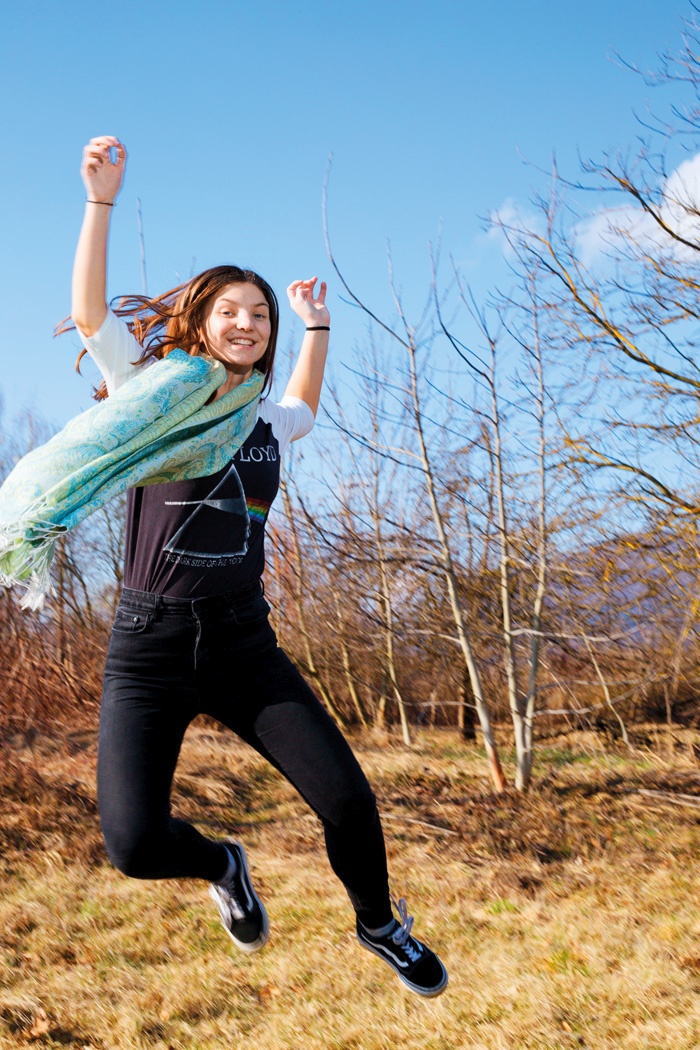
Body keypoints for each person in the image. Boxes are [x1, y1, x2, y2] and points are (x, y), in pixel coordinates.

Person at [68, 135, 448, 998]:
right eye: (233, 309)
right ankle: (223, 864)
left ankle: (380, 925)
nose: (248, 322)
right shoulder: (152, 403)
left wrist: (316, 326)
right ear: (201, 322)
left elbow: (305, 403)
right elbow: (93, 317)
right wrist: (100, 203)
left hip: (244, 648)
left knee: (349, 801)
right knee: (132, 845)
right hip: (148, 650)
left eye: (261, 314)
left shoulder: (268, 422)